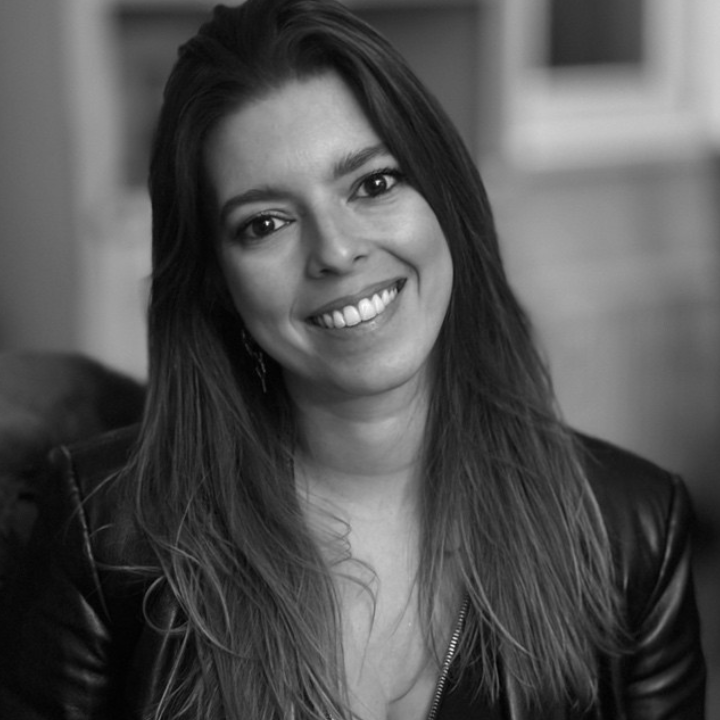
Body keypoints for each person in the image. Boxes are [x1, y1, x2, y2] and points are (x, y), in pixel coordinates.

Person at [0, 0, 706, 718]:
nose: (335, 251)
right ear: (217, 282)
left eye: (373, 184)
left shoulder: (633, 533)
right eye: (265, 223)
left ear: (447, 199)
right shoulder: (108, 535)